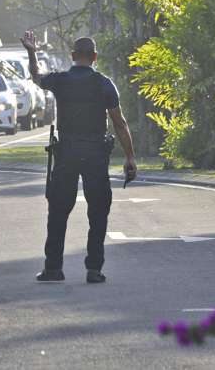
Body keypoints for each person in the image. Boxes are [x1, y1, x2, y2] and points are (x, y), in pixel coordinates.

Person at [22, 32, 136, 284]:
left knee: (58, 211)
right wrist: (130, 157)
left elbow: (36, 76)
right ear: (95, 57)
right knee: (98, 212)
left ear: (73, 57)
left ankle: (53, 268)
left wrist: (32, 51)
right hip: (96, 154)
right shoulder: (105, 84)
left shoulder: (60, 80)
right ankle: (94, 270)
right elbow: (120, 123)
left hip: (67, 153)